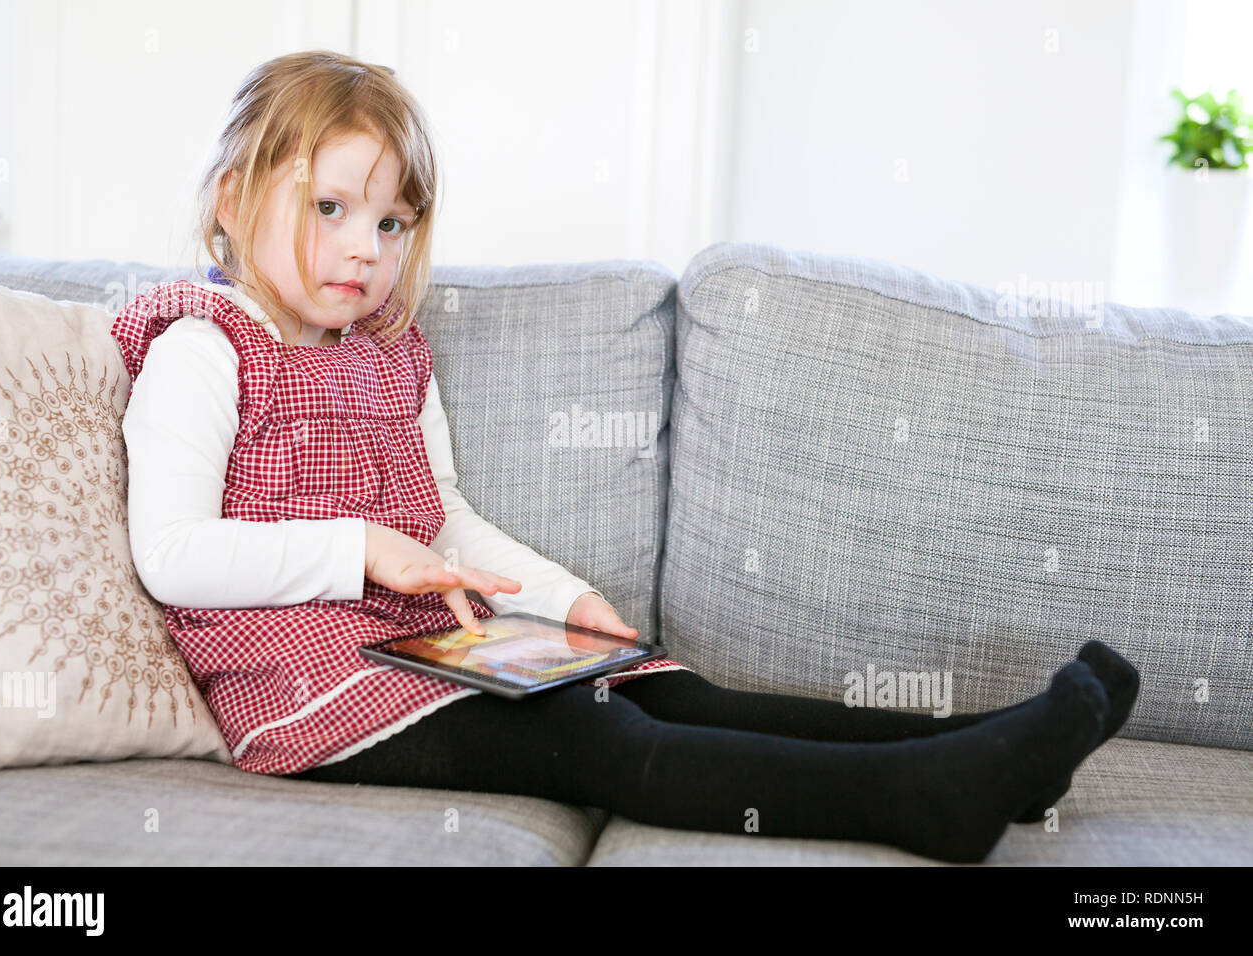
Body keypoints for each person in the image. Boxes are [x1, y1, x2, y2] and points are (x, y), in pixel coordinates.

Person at [111, 50, 1139, 864]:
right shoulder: (204, 347)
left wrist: (563, 601)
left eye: (390, 223)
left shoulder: (389, 352)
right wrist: (362, 548)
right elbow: (171, 554)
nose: (364, 250)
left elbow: (441, 518)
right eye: (330, 208)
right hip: (306, 687)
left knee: (669, 690)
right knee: (601, 740)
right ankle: (924, 799)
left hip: (424, 639)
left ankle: (991, 743)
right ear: (234, 201)